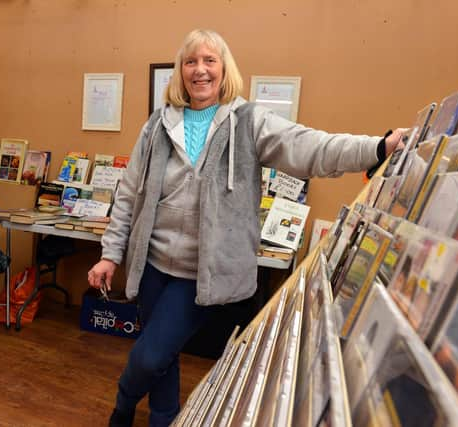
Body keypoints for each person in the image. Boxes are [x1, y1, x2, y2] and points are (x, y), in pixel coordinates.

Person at [87, 29, 406, 427]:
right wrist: (109, 255)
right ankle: (162, 419)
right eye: (190, 62)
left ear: (224, 69)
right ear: (180, 72)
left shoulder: (250, 121)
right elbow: (130, 195)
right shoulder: (157, 126)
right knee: (161, 357)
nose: (199, 70)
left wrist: (377, 148)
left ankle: (122, 406)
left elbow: (311, 147)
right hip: (151, 267)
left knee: (149, 355)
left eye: (209, 61)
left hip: (199, 277)